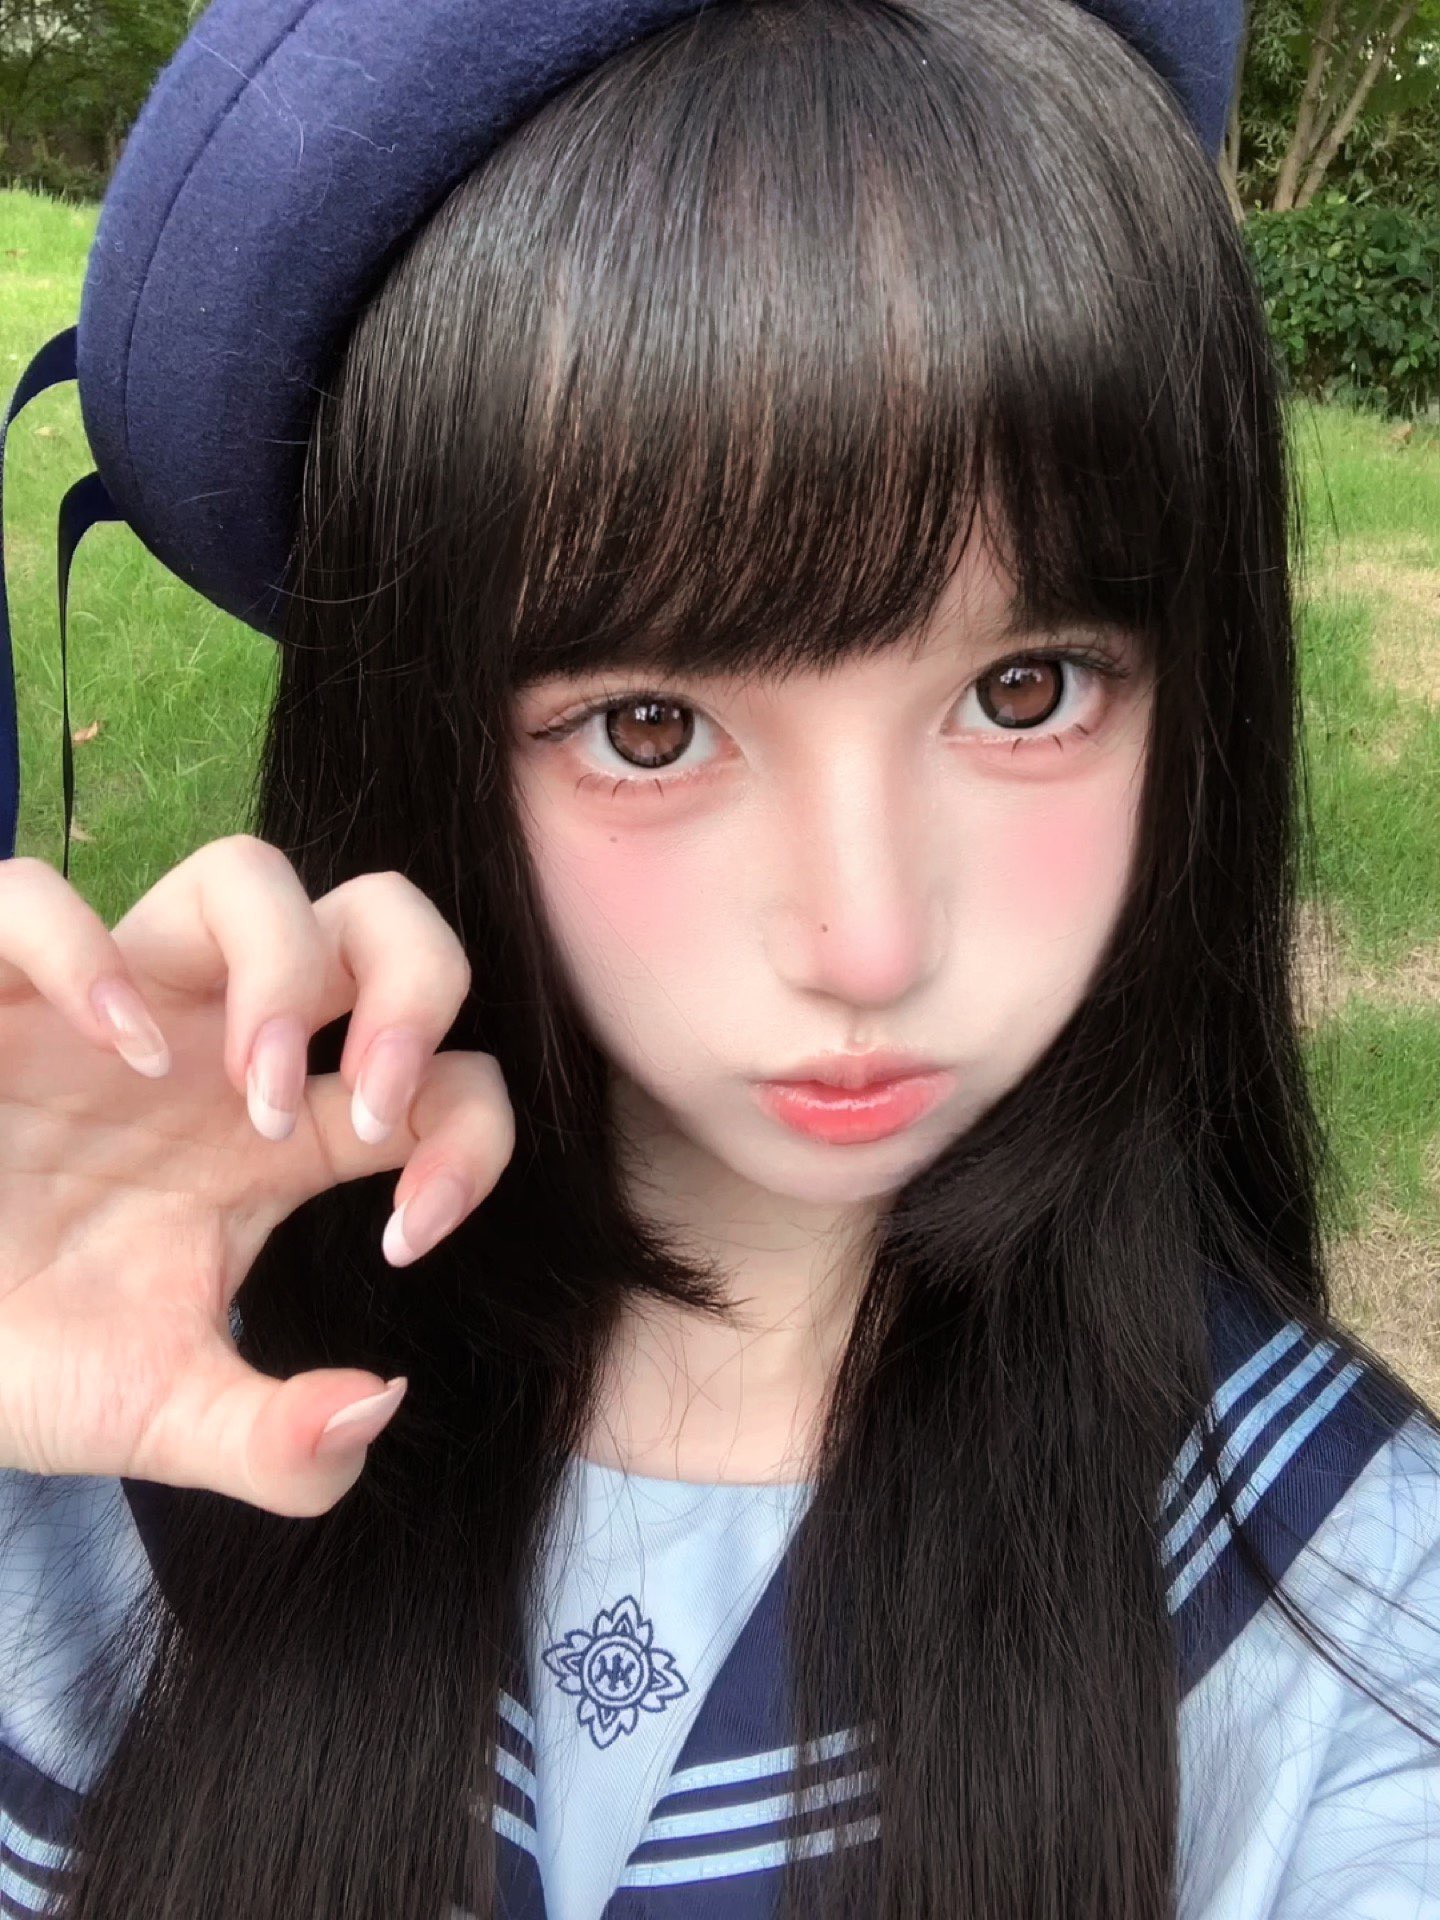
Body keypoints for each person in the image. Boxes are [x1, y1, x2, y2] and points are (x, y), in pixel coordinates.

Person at [0, 0, 1437, 1915]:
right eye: (652, 725)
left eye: (1025, 690)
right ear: (427, 728)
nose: (869, 940)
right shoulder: (102, 1429)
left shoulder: (1347, 1616)